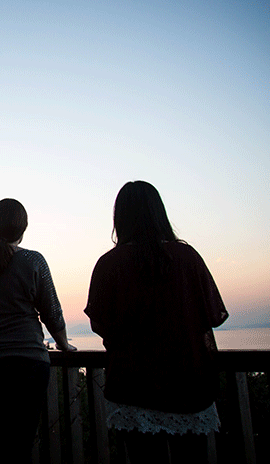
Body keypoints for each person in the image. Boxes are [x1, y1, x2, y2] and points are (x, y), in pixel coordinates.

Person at [85, 181, 228, 464]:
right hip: (188, 386)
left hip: (131, 385)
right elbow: (212, 315)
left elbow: (100, 323)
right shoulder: (187, 258)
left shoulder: (109, 264)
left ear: (120, 218)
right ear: (159, 212)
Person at [0, 198, 75, 464]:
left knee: (2, 436)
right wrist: (63, 344)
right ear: (23, 227)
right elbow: (52, 312)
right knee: (19, 441)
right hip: (26, 362)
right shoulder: (33, 261)